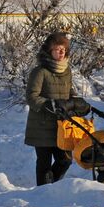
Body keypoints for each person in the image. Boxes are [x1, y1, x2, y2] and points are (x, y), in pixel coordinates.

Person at [24, 31, 78, 186]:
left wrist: (76, 101)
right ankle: (43, 191)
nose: (61, 53)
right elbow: (32, 97)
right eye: (57, 49)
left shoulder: (66, 71)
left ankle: (51, 188)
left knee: (65, 160)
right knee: (44, 163)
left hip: (61, 126)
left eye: (63, 49)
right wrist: (51, 105)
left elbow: (69, 91)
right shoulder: (40, 72)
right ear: (49, 51)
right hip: (41, 125)